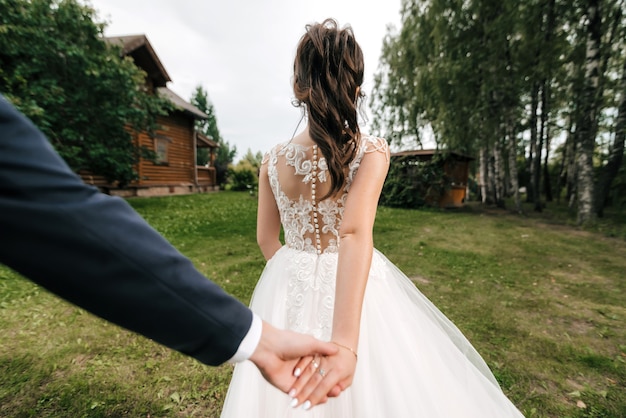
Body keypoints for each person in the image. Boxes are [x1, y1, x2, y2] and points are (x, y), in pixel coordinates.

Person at [220, 19, 525, 417]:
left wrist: (294, 276)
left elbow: (266, 240)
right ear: (357, 88)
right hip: (356, 288)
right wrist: (345, 342)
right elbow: (353, 234)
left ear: (298, 87)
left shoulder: (271, 160)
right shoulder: (371, 152)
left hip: (286, 279)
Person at [0, 93, 340, 403]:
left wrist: (257, 328)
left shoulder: (278, 158)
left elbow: (53, 212)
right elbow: (63, 217)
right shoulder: (367, 151)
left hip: (288, 272)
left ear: (298, 88)